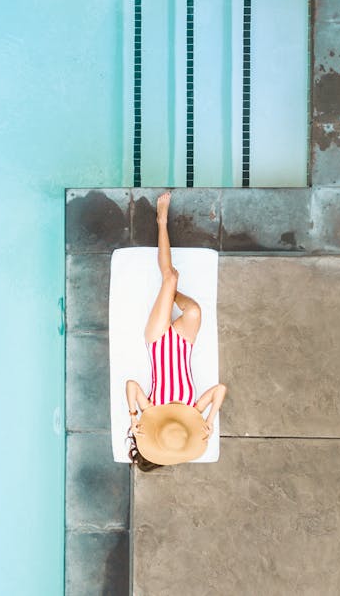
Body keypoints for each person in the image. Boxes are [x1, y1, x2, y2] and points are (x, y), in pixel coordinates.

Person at [125, 191, 227, 471]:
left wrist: (134, 416)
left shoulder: (150, 409)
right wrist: (209, 419)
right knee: (193, 311)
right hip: (183, 343)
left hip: (157, 340)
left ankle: (161, 221)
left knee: (171, 276)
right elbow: (220, 389)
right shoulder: (193, 412)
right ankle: (168, 293)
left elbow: (132, 385)